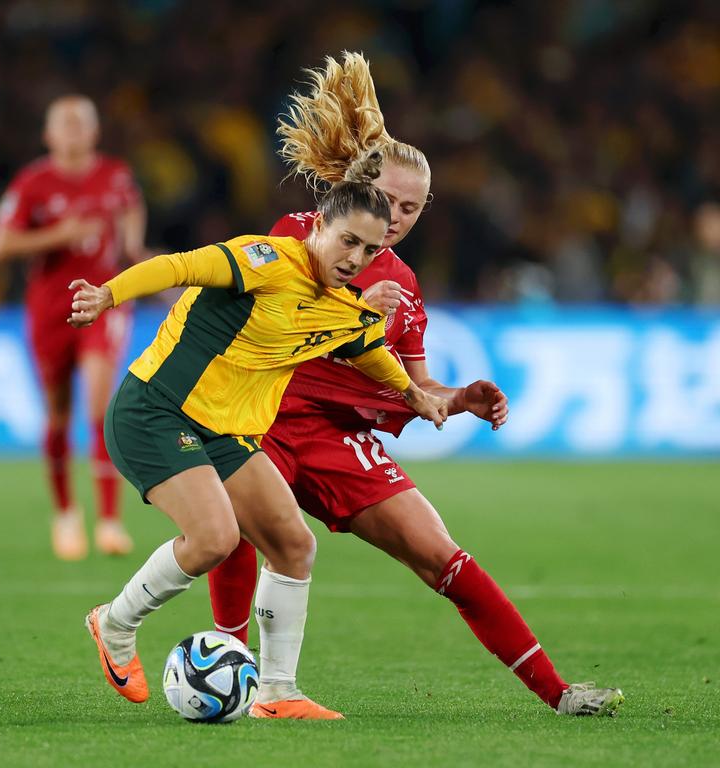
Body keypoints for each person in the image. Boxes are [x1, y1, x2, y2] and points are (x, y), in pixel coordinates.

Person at [207, 52, 624, 719]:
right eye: (387, 202)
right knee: (231, 529)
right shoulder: (295, 239)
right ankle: (228, 675)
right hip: (263, 414)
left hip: (335, 439)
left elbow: (413, 381)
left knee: (441, 555)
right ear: (360, 188)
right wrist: (349, 310)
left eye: (412, 207)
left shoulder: (403, 283)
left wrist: (455, 399)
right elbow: (262, 325)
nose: (397, 217)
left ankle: (558, 691)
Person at [68, 160, 450, 710]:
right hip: (157, 412)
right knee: (215, 539)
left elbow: (369, 351)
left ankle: (277, 692)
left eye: (368, 251)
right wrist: (109, 295)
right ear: (319, 224)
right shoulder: (266, 260)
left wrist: (416, 396)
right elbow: (178, 267)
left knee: (294, 545)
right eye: (347, 241)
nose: (354, 260)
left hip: (225, 433)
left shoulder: (344, 306)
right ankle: (115, 624)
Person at [0, 95, 146, 560]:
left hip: (101, 301)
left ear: (95, 132)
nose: (74, 130)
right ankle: (66, 513)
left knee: (100, 405)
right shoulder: (33, 183)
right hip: (50, 310)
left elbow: (131, 207)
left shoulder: (115, 174)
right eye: (65, 123)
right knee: (58, 414)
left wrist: (132, 245)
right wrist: (60, 234)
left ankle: (111, 522)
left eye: (82, 123)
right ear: (49, 135)